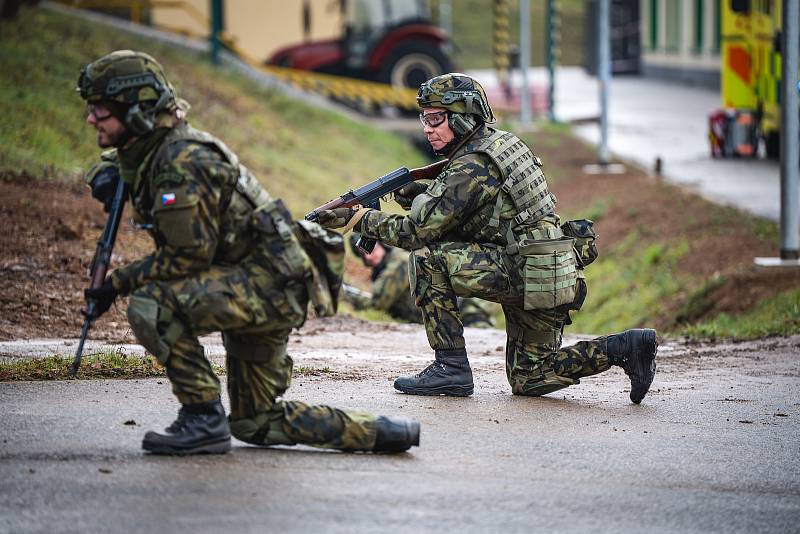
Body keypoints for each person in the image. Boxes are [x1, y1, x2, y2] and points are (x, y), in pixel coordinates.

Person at [78, 50, 419, 454]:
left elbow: (189, 257)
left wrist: (116, 283)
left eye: (100, 111)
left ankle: (202, 417)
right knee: (255, 422)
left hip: (265, 289)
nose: (91, 120)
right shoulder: (157, 148)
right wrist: (104, 174)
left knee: (152, 303)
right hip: (262, 282)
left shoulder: (181, 162)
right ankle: (383, 432)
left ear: (135, 111)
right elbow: (119, 160)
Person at [318, 73, 657, 402]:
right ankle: (626, 347)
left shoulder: (472, 164)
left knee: (427, 259)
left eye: (436, 119)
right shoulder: (500, 144)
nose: (427, 128)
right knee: (531, 377)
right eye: (424, 118)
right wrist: (420, 194)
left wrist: (358, 219)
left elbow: (414, 233)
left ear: (464, 116)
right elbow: (479, 212)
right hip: (549, 270)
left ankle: (450, 368)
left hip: (525, 270)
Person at [347, 235, 496, 328]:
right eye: (362, 255)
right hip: (449, 317)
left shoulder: (399, 262)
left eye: (370, 249)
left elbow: (378, 303)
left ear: (382, 245)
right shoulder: (389, 264)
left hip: (466, 312)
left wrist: (344, 294)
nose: (368, 257)